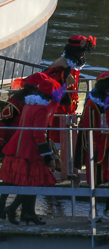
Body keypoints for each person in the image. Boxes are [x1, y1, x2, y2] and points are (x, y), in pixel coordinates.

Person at [0, 72, 63, 225]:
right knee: (34, 182)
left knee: (29, 182)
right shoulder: (41, 109)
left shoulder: (29, 104)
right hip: (30, 150)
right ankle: (13, 208)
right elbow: (38, 135)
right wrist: (47, 155)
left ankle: (28, 213)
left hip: (19, 146)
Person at [0, 74, 36, 219]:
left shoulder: (39, 102)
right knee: (16, 175)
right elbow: (1, 120)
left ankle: (24, 211)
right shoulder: (16, 102)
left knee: (25, 177)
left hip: (27, 143)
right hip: (12, 143)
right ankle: (8, 205)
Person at [45, 35, 96, 148]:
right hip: (59, 104)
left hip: (71, 105)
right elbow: (46, 79)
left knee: (70, 136)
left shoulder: (75, 62)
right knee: (56, 134)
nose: (82, 55)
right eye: (80, 52)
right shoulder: (61, 62)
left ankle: (67, 153)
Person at [75, 72, 109, 219]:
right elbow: (88, 128)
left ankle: (106, 211)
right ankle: (93, 213)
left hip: (105, 144)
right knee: (95, 181)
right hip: (96, 146)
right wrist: (94, 147)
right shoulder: (92, 103)